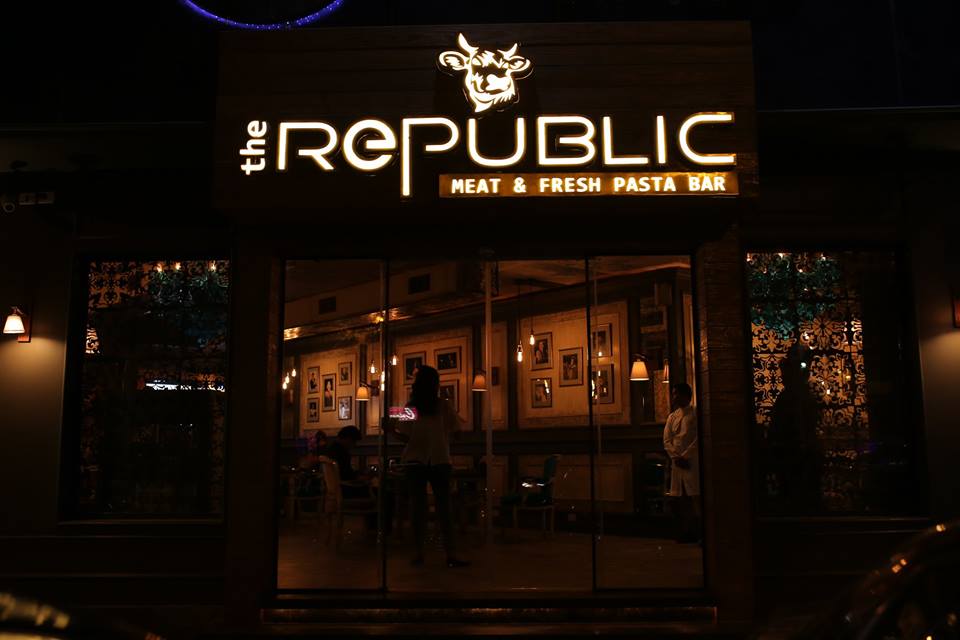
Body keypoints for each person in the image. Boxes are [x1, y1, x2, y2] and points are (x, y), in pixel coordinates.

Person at [388, 365, 469, 568]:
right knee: (444, 509)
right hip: (440, 460)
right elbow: (458, 434)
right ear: (435, 385)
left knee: (418, 509)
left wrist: (390, 430)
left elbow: (405, 438)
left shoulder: (411, 407)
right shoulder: (443, 406)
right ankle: (450, 554)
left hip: (415, 460)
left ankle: (418, 553)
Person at [663, 382, 700, 543]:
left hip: (692, 461)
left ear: (686, 395)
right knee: (680, 497)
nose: (674, 397)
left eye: (676, 394)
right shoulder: (672, 417)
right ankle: (685, 531)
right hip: (677, 463)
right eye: (673, 394)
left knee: (695, 495)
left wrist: (686, 456)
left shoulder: (696, 413)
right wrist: (676, 457)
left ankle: (698, 532)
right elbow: (667, 440)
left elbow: (698, 438)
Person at [320, 425, 368, 498]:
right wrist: (361, 476)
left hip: (336, 491)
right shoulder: (342, 453)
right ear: (348, 439)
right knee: (377, 491)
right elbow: (346, 475)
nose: (354, 444)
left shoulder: (331, 449)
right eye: (354, 441)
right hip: (345, 490)